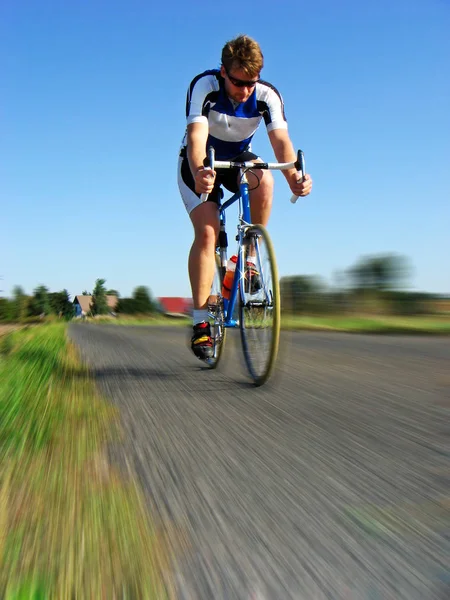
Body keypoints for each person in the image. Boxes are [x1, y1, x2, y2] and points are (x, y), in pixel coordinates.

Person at [178, 35, 313, 360]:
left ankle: (249, 255)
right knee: (208, 232)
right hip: (201, 162)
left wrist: (295, 177)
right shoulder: (204, 86)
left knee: (265, 179)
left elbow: (280, 142)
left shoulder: (267, 95)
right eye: (238, 83)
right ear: (223, 72)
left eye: (251, 83)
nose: (245, 92)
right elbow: (197, 136)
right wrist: (199, 171)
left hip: (238, 158)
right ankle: (200, 324)